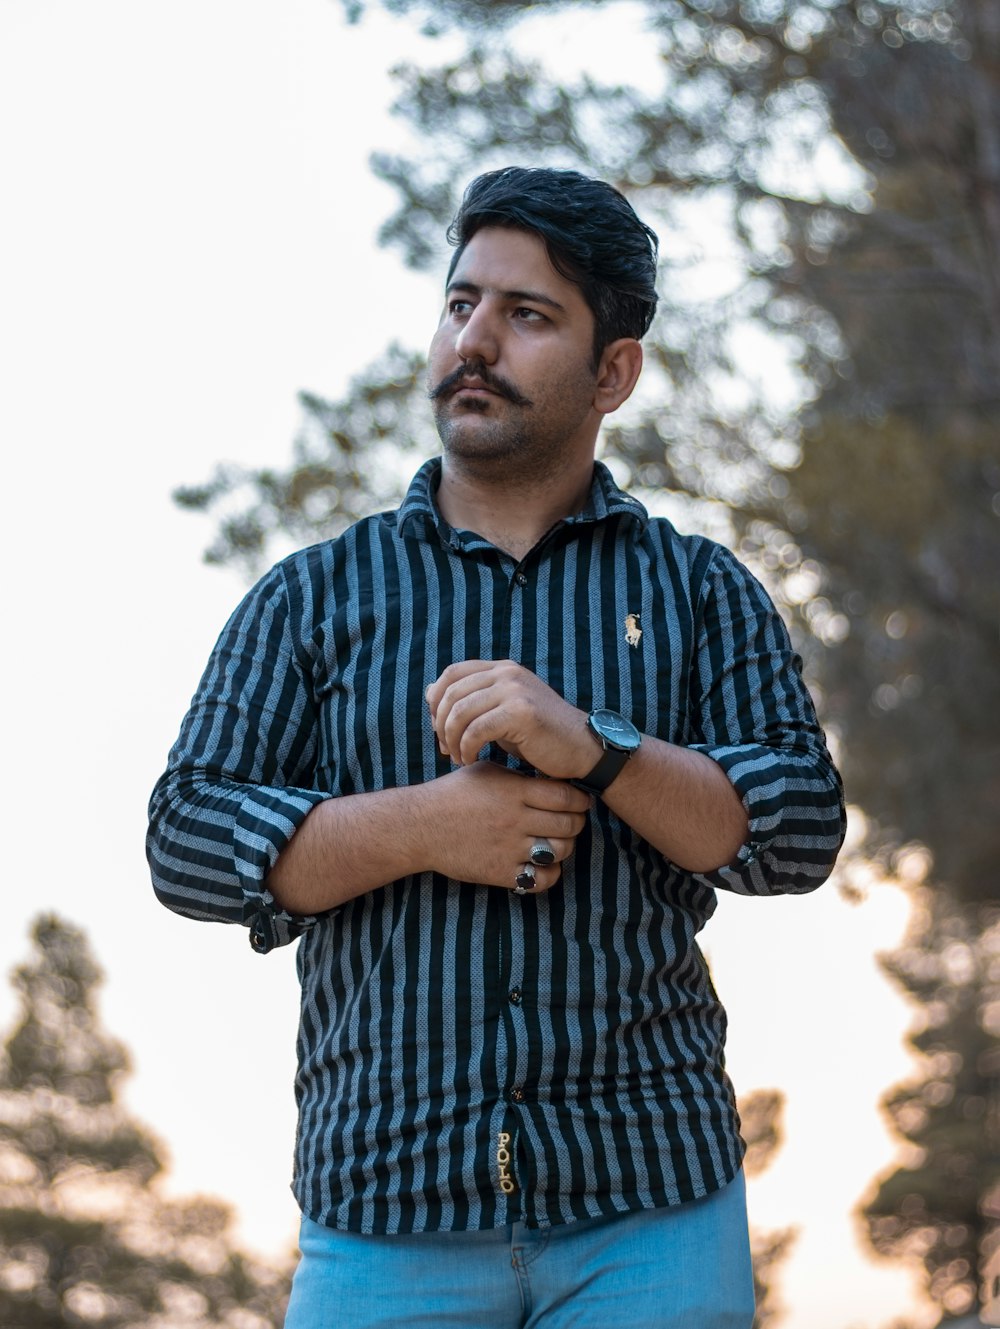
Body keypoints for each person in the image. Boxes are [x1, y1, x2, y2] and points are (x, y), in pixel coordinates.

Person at [148, 166, 846, 1328]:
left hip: (652, 1216)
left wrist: (596, 748)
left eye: (527, 316)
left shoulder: (698, 589)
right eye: (462, 303)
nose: (475, 340)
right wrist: (426, 826)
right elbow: (186, 842)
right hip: (383, 1219)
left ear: (612, 371)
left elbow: (797, 829)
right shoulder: (315, 597)